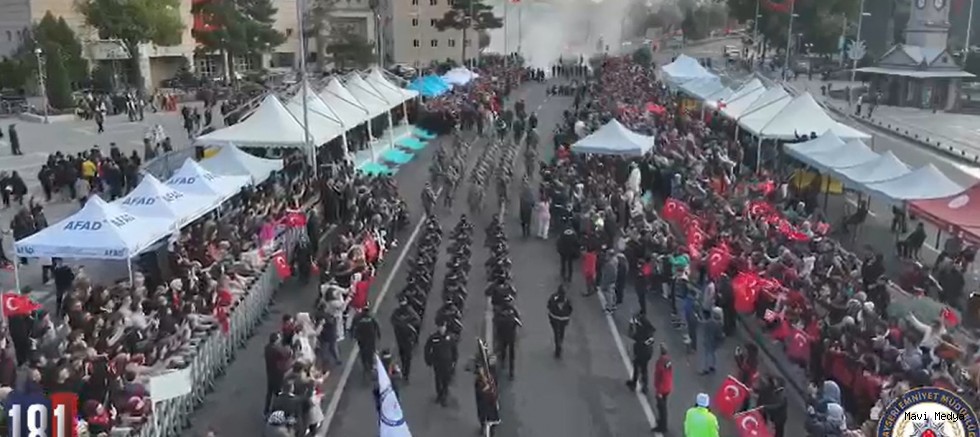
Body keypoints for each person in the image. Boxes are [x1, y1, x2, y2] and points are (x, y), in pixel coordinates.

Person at [425, 323, 459, 406]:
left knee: (446, 379)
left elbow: (454, 349)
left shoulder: (450, 337)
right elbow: (427, 348)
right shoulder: (433, 337)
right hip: (437, 362)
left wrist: (454, 360)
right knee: (438, 379)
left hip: (447, 362)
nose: (442, 329)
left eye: (443, 327)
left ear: (445, 327)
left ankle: (444, 394)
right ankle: (440, 395)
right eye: (440, 327)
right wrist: (428, 359)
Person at [391, 298, 421, 382]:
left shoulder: (410, 311)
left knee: (408, 358)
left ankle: (406, 374)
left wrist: (408, 324)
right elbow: (392, 320)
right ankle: (404, 369)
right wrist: (399, 324)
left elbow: (417, 320)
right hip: (399, 338)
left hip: (408, 338)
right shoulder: (396, 312)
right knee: (402, 356)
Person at [626, 311, 655, 393]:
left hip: (641, 351)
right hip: (648, 352)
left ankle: (634, 383)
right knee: (644, 368)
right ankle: (645, 386)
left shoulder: (640, 333)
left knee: (636, 366)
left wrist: (631, 325)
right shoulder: (649, 331)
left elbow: (630, 334)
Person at [263, 333, 292, 415]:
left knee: (269, 393)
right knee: (278, 394)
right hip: (278, 374)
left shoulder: (267, 348)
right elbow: (286, 355)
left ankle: (266, 410)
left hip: (270, 373)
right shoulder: (277, 350)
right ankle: (275, 410)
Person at [493, 301, 522, 379]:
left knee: (503, 349)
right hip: (511, 336)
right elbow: (519, 321)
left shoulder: (499, 312)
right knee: (511, 353)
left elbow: (495, 322)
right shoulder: (512, 311)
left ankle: (503, 361)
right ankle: (511, 370)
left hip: (502, 336)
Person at [352, 305, 380, 380]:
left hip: (365, 338)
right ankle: (368, 365)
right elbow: (377, 325)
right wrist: (378, 334)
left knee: (366, 352)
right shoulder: (370, 317)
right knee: (367, 351)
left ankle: (368, 365)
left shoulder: (358, 317)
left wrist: (353, 335)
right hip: (366, 338)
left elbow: (353, 326)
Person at [546, 284, 573, 358]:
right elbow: (570, 309)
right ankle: (560, 342)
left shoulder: (553, 297)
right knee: (562, 332)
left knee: (556, 333)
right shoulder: (567, 299)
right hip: (564, 319)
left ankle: (558, 345)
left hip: (555, 318)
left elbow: (548, 305)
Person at [653, 343, 673, 434]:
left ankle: (662, 425)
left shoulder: (661, 362)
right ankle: (662, 423)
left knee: (661, 407)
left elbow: (661, 377)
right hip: (667, 387)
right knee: (662, 406)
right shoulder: (668, 361)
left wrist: (659, 391)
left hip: (662, 388)